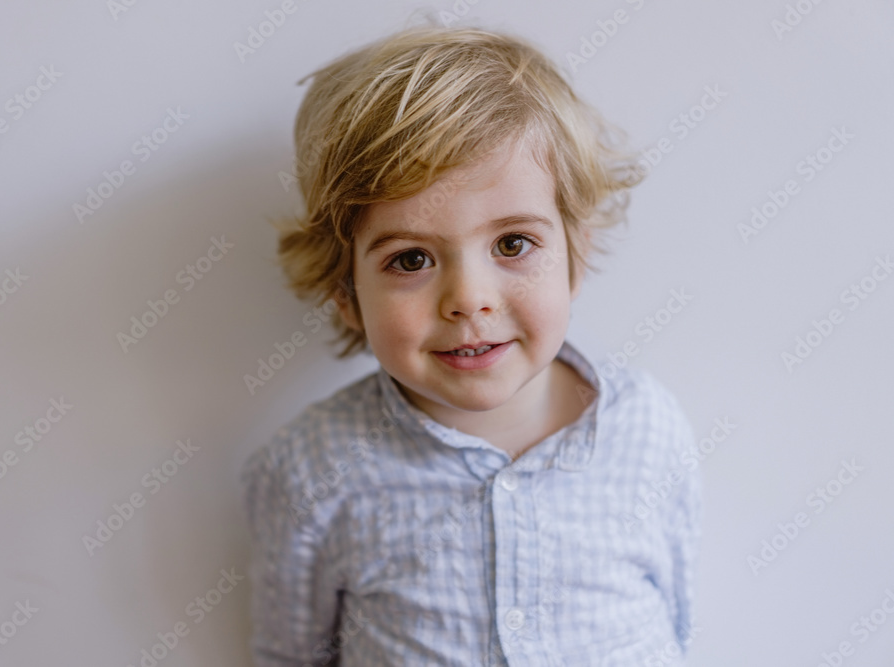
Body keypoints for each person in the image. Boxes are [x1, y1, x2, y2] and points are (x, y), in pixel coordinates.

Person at [242, 23, 701, 666]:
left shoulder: (647, 428)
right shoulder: (312, 468)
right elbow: (291, 656)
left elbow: (678, 624)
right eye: (411, 259)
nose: (469, 299)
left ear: (576, 252)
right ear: (345, 292)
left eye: (512, 244)